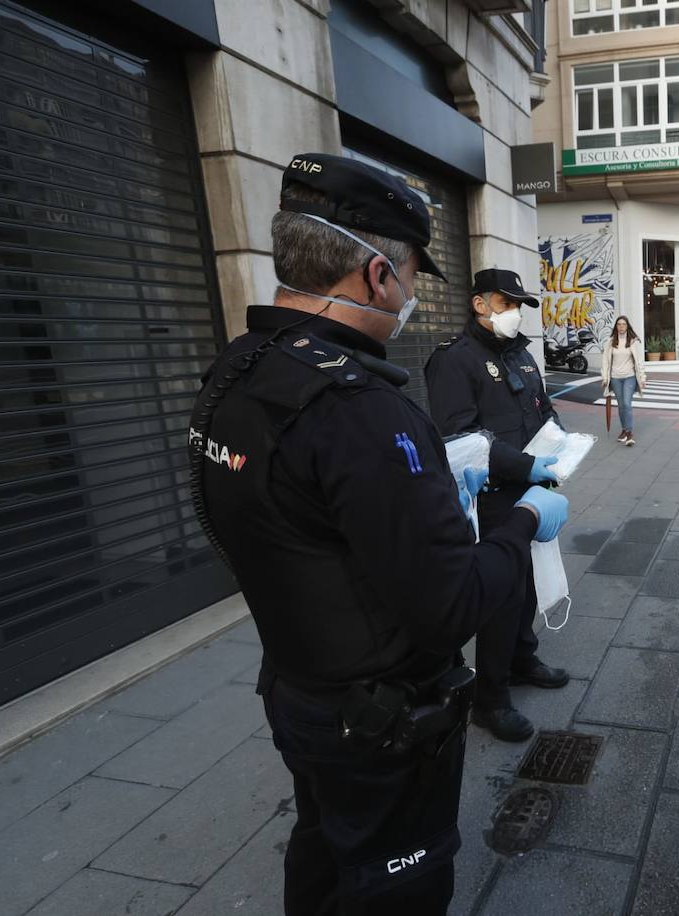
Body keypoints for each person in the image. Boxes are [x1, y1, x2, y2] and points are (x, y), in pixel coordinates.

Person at [189, 153, 568, 915]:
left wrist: (421, 493)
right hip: (380, 720)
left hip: (298, 685)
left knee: (324, 845)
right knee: (395, 882)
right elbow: (452, 605)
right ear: (373, 274)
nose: (406, 294)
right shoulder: (360, 406)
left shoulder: (238, 368)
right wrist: (526, 519)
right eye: (407, 274)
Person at [424, 269, 572, 743]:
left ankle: (522, 658)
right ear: (479, 304)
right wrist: (526, 465)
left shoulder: (521, 354)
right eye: (505, 303)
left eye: (518, 304)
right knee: (500, 595)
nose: (513, 312)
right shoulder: (455, 360)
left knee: (526, 584)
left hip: (530, 489)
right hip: (489, 496)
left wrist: (562, 445)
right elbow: (461, 439)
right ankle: (490, 699)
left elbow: (542, 408)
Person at [601, 315, 646, 445]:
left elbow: (639, 362)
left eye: (624, 324)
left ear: (627, 326)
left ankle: (629, 432)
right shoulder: (610, 342)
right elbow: (605, 361)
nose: (621, 327)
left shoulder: (632, 342)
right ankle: (624, 429)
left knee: (626, 403)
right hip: (615, 378)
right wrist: (605, 378)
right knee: (621, 406)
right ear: (616, 326)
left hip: (629, 377)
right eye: (619, 324)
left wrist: (642, 378)